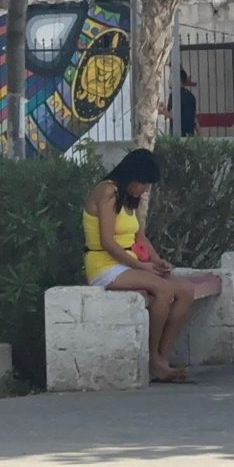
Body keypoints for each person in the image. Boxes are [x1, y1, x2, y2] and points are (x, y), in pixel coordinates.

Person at [82, 149, 197, 383]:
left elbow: (139, 237)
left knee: (185, 290)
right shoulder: (107, 192)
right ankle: (152, 359)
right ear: (131, 175)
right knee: (164, 290)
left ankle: (162, 357)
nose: (144, 189)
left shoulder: (128, 197)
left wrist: (156, 261)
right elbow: (107, 242)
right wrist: (142, 267)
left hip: (130, 263)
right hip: (105, 265)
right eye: (143, 183)